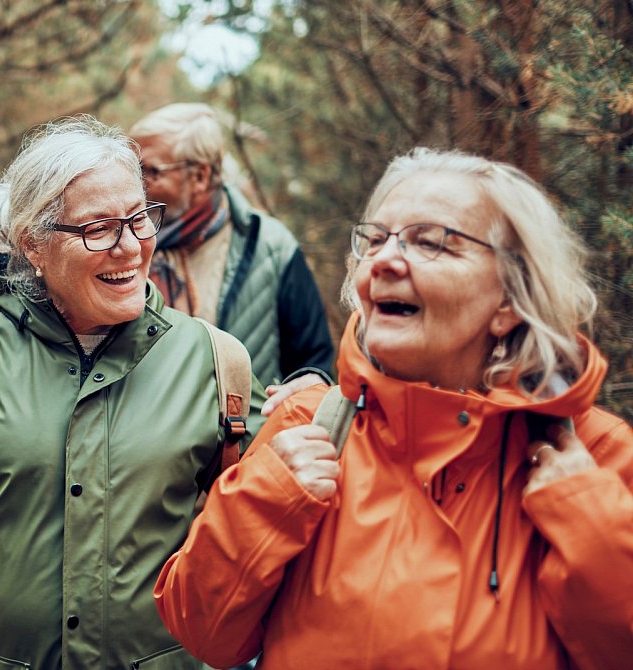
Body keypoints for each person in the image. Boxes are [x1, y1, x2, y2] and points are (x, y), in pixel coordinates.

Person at [155, 148, 633, 669]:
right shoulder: (307, 429)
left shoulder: (597, 457)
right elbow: (202, 631)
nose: (383, 260)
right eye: (375, 240)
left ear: (508, 301)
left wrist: (587, 522)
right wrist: (263, 501)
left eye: (431, 243)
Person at [0, 116, 268, 668]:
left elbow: (266, 540)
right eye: (97, 228)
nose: (129, 248)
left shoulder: (218, 366)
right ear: (34, 243)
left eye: (139, 219)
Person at [130, 103, 334, 387]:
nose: (135, 183)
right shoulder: (126, 242)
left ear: (199, 176)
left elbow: (313, 366)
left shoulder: (272, 247)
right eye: (132, 169)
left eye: (150, 171)